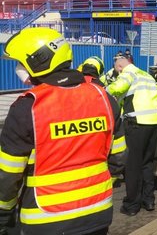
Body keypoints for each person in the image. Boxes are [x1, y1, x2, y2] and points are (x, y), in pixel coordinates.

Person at [0, 28, 126, 235]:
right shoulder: (104, 98)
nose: (18, 68)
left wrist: (4, 212)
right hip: (98, 210)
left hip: (45, 218)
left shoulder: (27, 108)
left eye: (21, 62)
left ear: (38, 61)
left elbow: (8, 175)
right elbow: (119, 157)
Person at [106, 55, 157, 216]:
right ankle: (149, 200)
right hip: (155, 122)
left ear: (119, 66)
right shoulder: (146, 75)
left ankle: (131, 205)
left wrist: (104, 90)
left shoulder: (128, 72)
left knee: (133, 165)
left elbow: (116, 88)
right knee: (147, 163)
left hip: (137, 122)